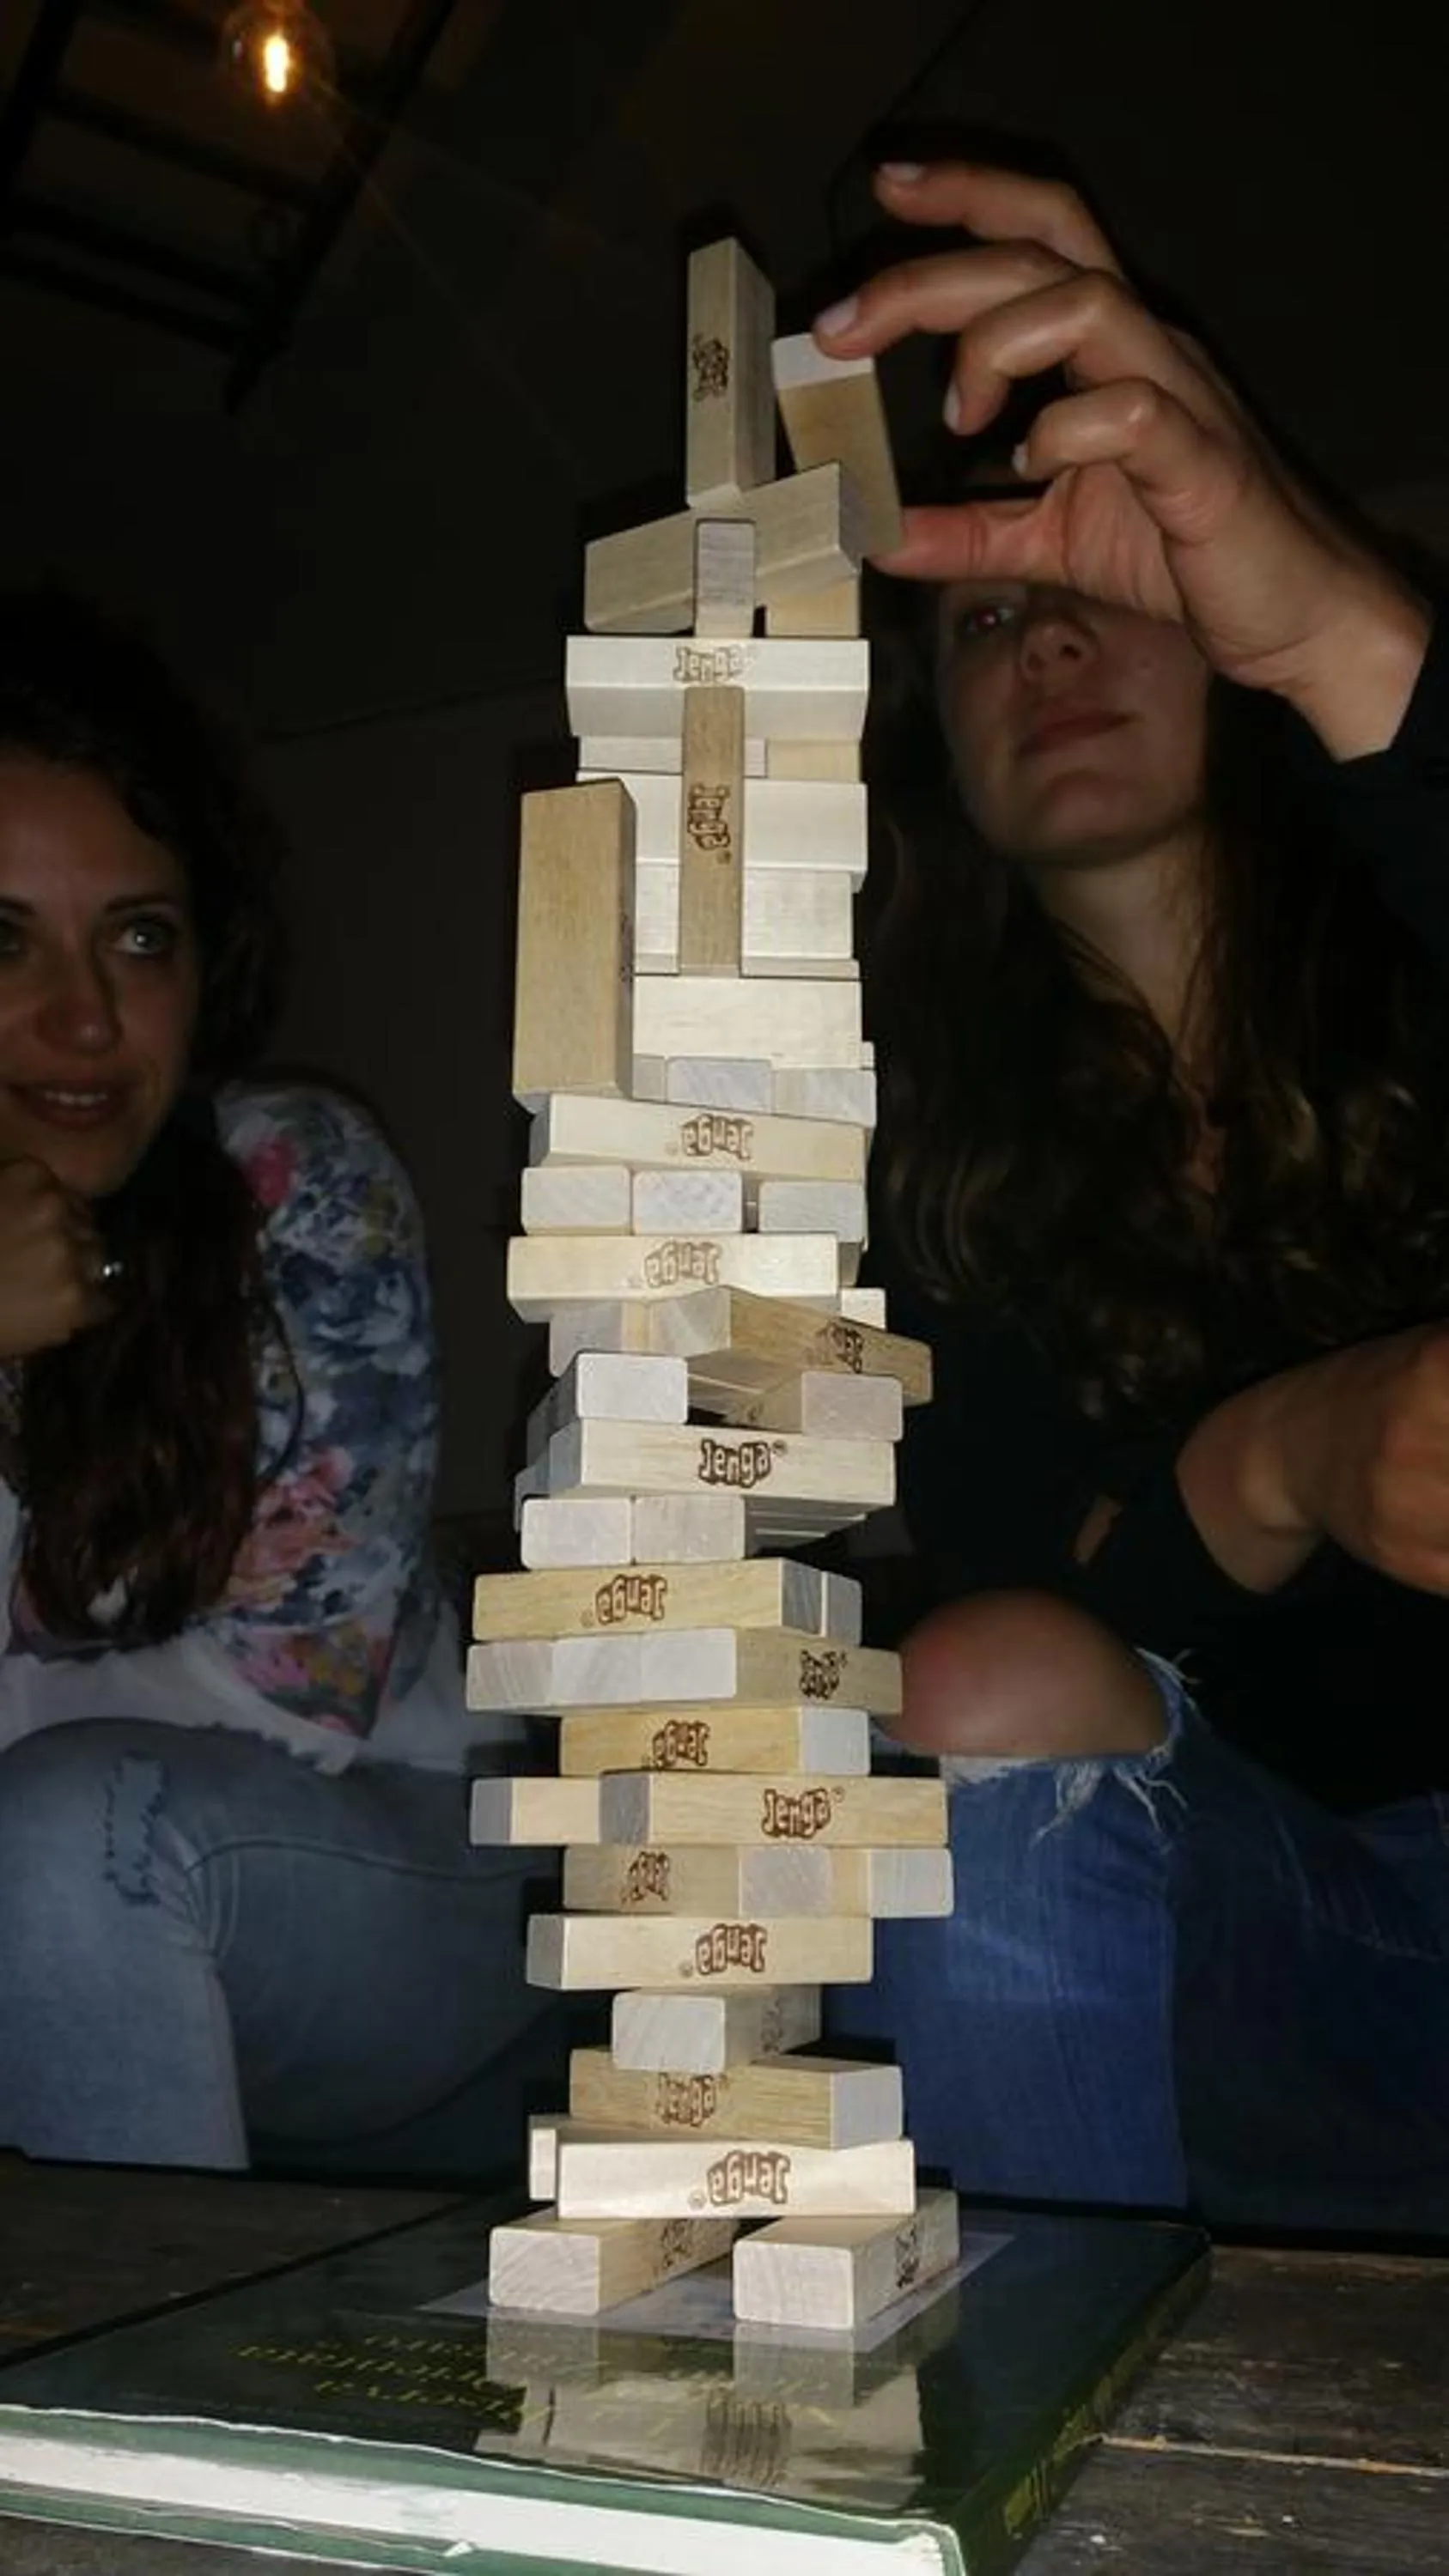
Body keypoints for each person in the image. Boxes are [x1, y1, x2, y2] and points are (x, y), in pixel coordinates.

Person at [816, 161, 1449, 2231]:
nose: (1054, 641)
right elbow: (1049, 1612)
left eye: (1118, 583)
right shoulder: (924, 1164)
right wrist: (1282, 1459)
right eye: (989, 617)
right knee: (979, 1681)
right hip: (1289, 1945)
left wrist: (1346, 624)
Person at [0, 587, 560, 2172]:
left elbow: (296, 1705)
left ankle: (126, 2418)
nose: (85, 1018)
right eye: (2, 938)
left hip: (394, 1849)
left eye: (139, 935)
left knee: (58, 1840)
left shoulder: (292, 1180)